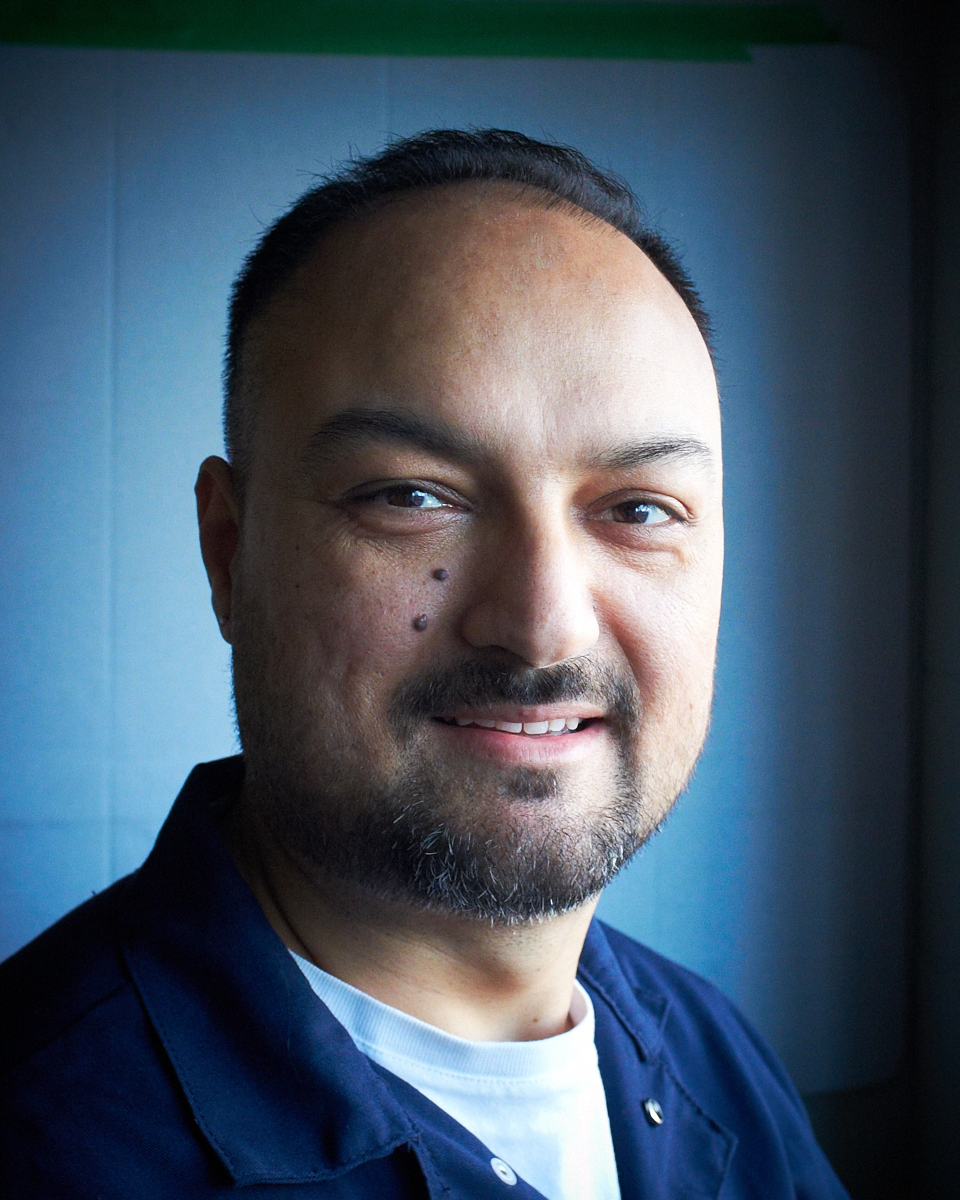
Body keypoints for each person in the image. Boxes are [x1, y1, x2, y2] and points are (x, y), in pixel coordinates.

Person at [0, 129, 848, 1199]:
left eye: (638, 510)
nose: (545, 627)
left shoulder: (724, 1058)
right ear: (229, 551)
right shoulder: (43, 1143)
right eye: (412, 496)